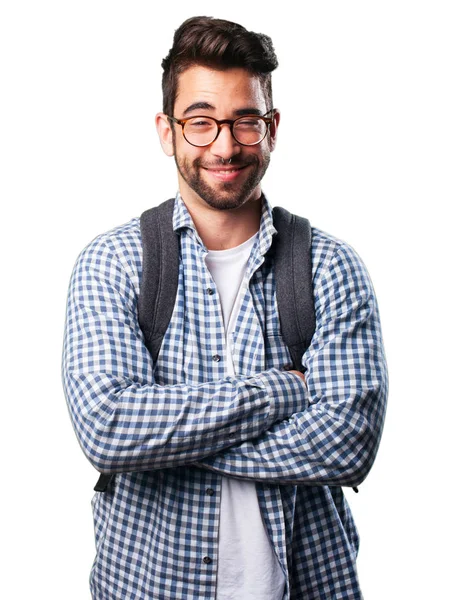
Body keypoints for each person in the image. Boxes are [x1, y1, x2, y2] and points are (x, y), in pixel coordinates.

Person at [62, 15, 388, 600]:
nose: (225, 145)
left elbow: (348, 440)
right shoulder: (113, 263)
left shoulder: (330, 266)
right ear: (167, 130)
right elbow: (109, 430)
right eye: (201, 122)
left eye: (245, 121)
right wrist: (285, 392)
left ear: (272, 127)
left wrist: (165, 444)